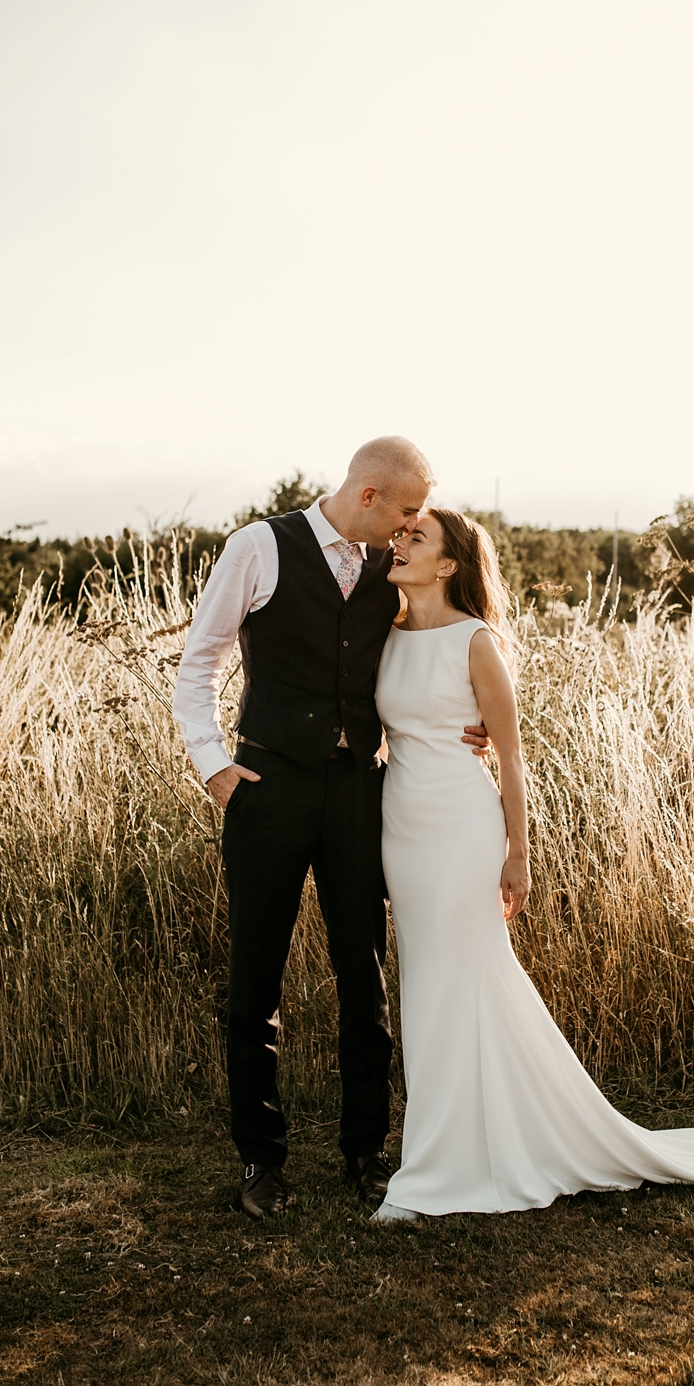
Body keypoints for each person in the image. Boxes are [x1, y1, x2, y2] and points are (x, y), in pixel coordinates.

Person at [371, 508, 694, 1221]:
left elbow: (510, 758)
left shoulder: (476, 642)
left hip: (461, 829)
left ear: (448, 565)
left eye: (417, 537)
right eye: (401, 535)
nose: (400, 543)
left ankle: (434, 1169)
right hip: (403, 827)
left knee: (464, 976)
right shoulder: (384, 638)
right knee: (428, 984)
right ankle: (472, 1140)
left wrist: (520, 854)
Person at [172, 437, 488, 1220]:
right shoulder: (259, 547)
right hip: (267, 785)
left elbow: (442, 646)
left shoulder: (395, 569)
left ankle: (366, 1151)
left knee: (365, 977)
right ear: (373, 496)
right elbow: (200, 661)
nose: (416, 527)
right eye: (409, 510)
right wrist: (214, 765)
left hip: (359, 793)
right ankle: (260, 1160)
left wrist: (471, 722)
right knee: (256, 979)